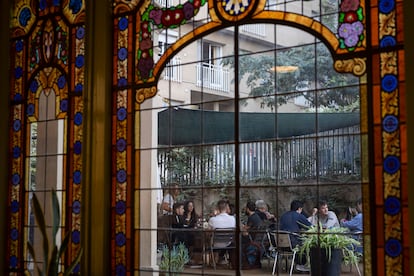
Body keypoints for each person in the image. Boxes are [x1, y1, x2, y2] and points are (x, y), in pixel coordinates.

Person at [279, 200, 312, 272]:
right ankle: (301, 265)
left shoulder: (283, 216)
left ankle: (297, 264)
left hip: (280, 245)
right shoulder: (298, 216)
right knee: (306, 243)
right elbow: (310, 227)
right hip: (293, 244)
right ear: (300, 208)